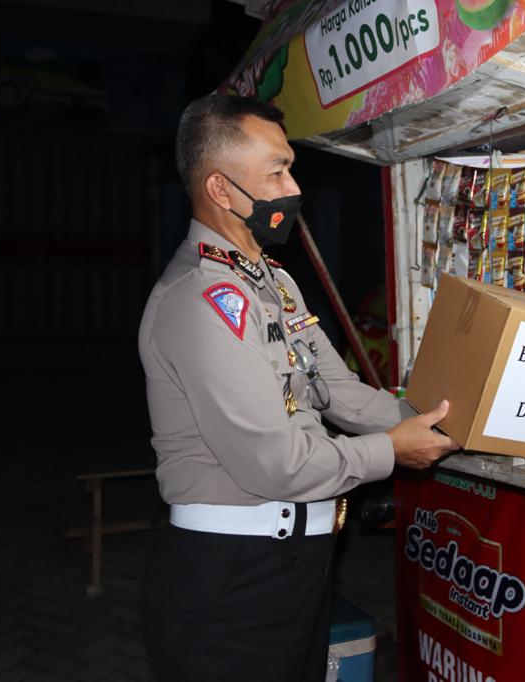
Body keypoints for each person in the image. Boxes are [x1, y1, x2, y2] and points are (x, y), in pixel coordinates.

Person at [137, 94, 457, 682]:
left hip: (296, 567)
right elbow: (277, 464)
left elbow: (338, 390)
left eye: (291, 167)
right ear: (221, 189)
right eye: (276, 172)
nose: (293, 186)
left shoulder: (272, 282)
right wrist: (392, 449)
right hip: (232, 582)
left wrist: (438, 417)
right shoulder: (202, 300)